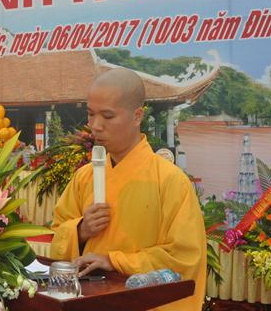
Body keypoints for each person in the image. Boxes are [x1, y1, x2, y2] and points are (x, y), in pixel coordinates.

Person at [50, 68, 207, 310]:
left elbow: (184, 259)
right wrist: (80, 231)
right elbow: (57, 236)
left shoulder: (170, 181)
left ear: (137, 116)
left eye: (108, 116)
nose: (95, 126)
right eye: (90, 114)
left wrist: (114, 261)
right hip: (87, 302)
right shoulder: (84, 177)